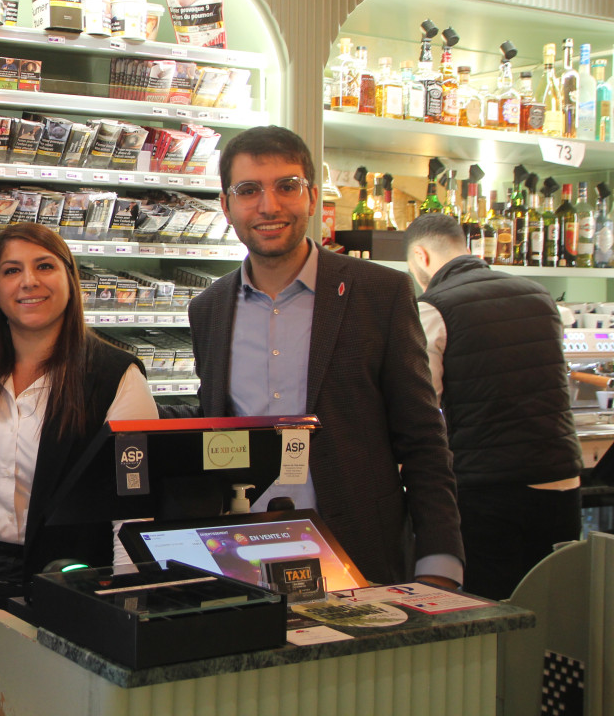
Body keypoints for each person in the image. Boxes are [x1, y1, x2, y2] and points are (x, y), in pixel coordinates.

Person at [184, 126, 465, 587]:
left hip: (356, 553)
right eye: (248, 190)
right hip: (240, 555)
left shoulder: (380, 293)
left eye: (286, 187)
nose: (269, 206)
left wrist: (439, 562)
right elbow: (216, 426)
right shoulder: (208, 310)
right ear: (226, 206)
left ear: (312, 197)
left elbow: (423, 439)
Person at [0, 223, 157, 608]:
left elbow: (133, 510)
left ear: (70, 280)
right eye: (11, 270)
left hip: (72, 588)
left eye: (44, 266)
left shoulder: (117, 377)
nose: (29, 281)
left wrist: (131, 602)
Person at [404, 213, 582, 600]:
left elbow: (420, 406)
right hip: (560, 477)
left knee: (491, 609)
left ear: (421, 255)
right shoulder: (538, 294)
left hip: (488, 488)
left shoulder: (435, 306)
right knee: (553, 602)